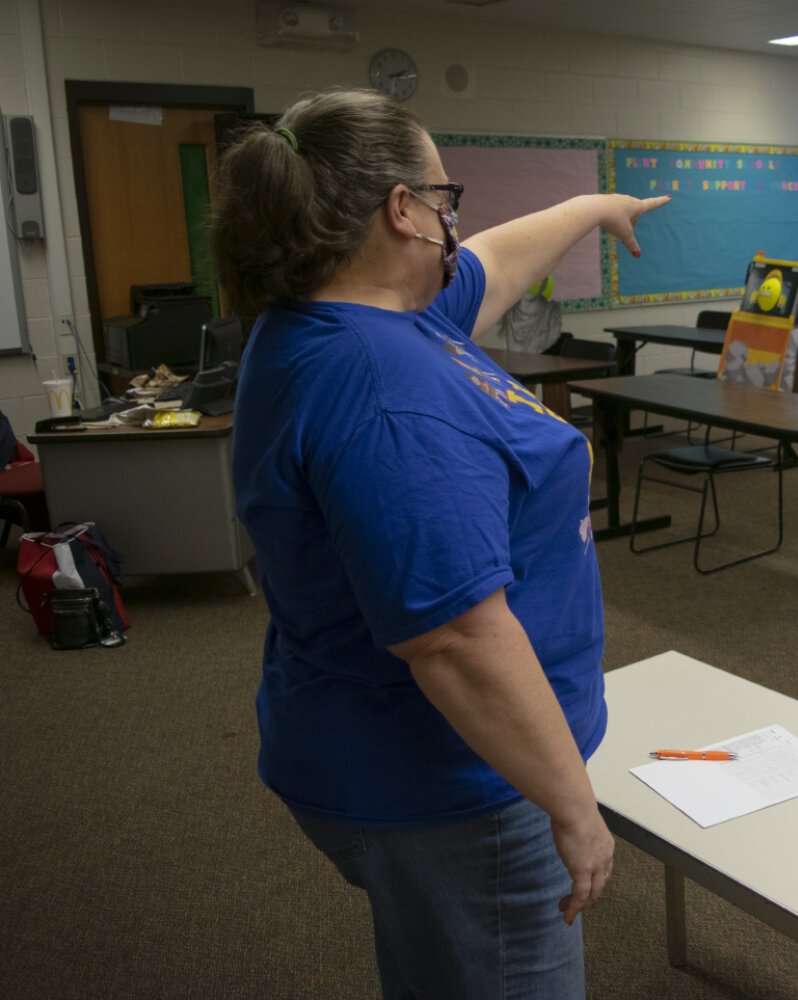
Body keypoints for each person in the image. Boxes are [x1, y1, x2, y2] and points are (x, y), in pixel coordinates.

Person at [211, 88, 668, 999]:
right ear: (402, 211)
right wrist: (572, 809)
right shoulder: (385, 389)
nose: (455, 224)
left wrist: (591, 209)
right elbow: (456, 640)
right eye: (443, 200)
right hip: (458, 786)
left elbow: (494, 263)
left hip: (381, 746)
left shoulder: (354, 315)